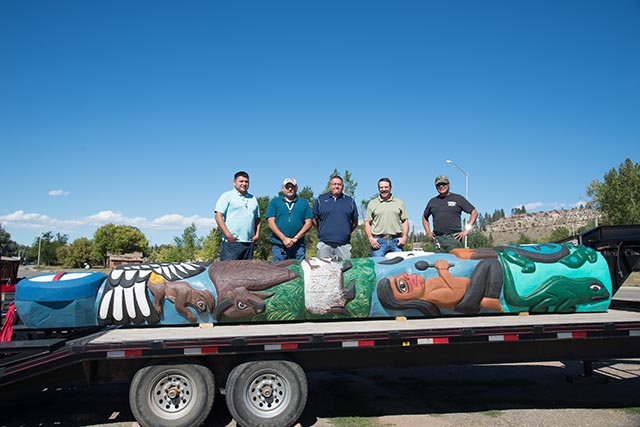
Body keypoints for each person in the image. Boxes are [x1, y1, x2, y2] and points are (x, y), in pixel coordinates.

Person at [422, 175, 478, 253]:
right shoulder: (432, 201)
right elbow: (424, 217)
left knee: (456, 260)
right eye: (438, 185)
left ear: (448, 185)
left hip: (454, 238)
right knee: (439, 260)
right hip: (438, 239)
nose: (441, 186)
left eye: (443, 184)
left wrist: (466, 230)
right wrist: (428, 232)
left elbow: (474, 213)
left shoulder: (458, 198)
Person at [214, 171, 260, 261]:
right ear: (234, 182)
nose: (244, 184)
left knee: (247, 269)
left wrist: (257, 235)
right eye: (241, 181)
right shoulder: (227, 196)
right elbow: (218, 216)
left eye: (246, 182)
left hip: (249, 243)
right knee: (228, 269)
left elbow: (257, 219)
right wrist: (228, 235)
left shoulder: (253, 198)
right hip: (232, 242)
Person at [312, 175, 359, 259]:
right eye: (334, 184)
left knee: (345, 267)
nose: (336, 186)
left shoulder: (350, 201)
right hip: (324, 244)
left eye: (339, 184)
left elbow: (355, 221)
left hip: (344, 245)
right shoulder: (320, 200)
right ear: (330, 186)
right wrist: (321, 230)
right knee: (324, 267)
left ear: (343, 187)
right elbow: (314, 219)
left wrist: (347, 232)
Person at [266, 177, 313, 261]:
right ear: (283, 188)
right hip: (279, 245)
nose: (290, 189)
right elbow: (271, 222)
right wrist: (284, 238)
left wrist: (296, 238)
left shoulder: (303, 202)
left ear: (296, 188)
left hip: (298, 245)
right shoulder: (274, 202)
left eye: (292, 187)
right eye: (287, 187)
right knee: (279, 268)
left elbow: (309, 223)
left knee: (298, 268)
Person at [364, 177, 409, 257]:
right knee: (378, 264)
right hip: (378, 242)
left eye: (386, 187)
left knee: (399, 264)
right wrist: (371, 238)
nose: (383, 189)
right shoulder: (372, 203)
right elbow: (368, 223)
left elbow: (404, 221)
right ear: (378, 188)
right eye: (381, 187)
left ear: (390, 188)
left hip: (396, 242)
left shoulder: (399, 202)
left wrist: (404, 237)